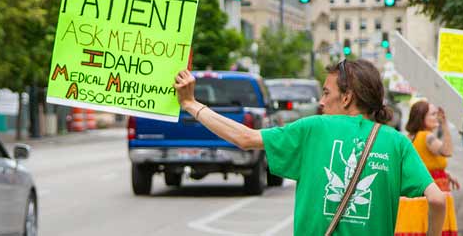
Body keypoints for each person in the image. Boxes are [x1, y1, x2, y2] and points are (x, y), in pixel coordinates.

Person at [174, 59, 446, 235]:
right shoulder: (396, 142)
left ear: (348, 97)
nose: (321, 101)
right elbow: (436, 199)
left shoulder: (314, 128)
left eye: (327, 93)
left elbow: (245, 138)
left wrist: (191, 104)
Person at [394, 101, 459, 235]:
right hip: (433, 191)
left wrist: (445, 174)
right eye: (433, 114)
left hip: (415, 193)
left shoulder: (409, 137)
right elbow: (447, 151)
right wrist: (445, 125)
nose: (437, 117)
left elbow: (421, 163)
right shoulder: (426, 136)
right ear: (421, 117)